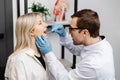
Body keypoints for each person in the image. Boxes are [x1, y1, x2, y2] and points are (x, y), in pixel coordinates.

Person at [36, 9, 116, 80]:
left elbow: (64, 78)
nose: (69, 32)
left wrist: (48, 53)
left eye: (72, 29)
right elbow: (78, 49)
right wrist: (63, 35)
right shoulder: (100, 44)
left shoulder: (94, 64)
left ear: (85, 32)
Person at [4, 12, 51, 80]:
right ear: (31, 31)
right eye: (40, 23)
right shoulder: (17, 60)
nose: (46, 25)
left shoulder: (43, 53)